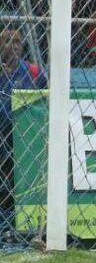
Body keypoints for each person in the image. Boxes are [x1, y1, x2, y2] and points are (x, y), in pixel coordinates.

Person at [0, 27, 46, 242]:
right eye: (9, 40)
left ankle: (14, 227)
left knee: (15, 185)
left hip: (21, 139)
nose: (15, 45)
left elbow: (46, 96)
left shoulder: (33, 71)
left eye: (18, 41)